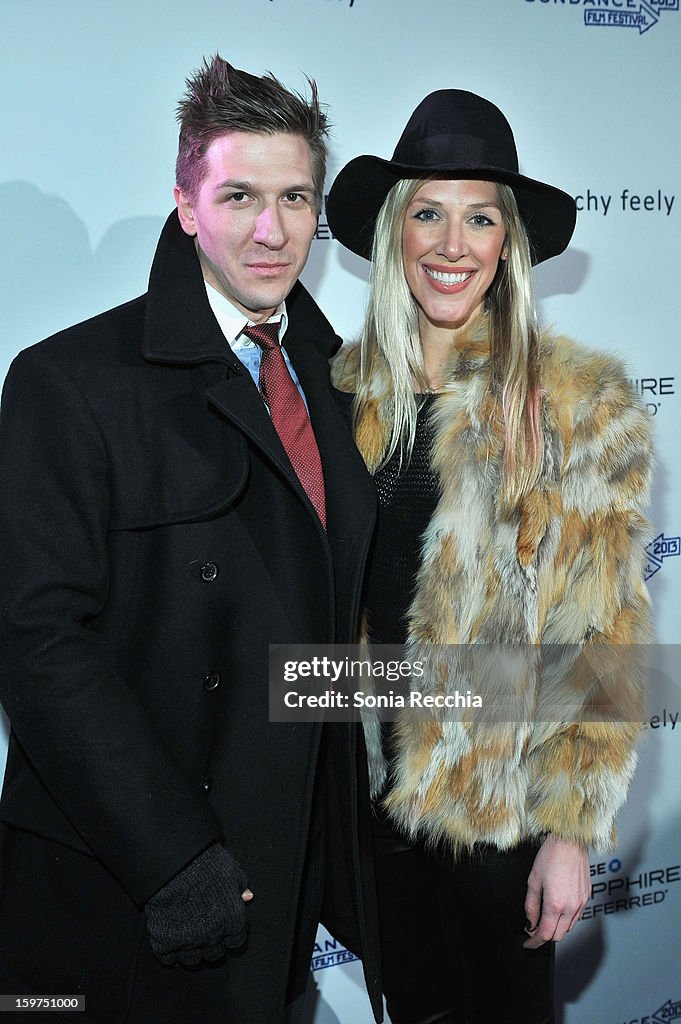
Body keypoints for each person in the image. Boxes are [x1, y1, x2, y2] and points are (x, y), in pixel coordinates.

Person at [0, 56, 382, 1024]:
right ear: (184, 203)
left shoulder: (344, 382)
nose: (272, 229)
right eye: (240, 195)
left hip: (287, 865)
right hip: (135, 873)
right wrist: (172, 854)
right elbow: (39, 642)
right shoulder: (71, 380)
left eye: (297, 196)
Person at [327, 90, 652, 1024]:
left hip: (498, 818)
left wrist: (569, 832)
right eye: (427, 212)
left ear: (507, 243)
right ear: (395, 233)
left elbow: (601, 632)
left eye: (479, 217)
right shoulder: (342, 393)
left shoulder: (577, 404)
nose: (451, 243)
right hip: (370, 808)